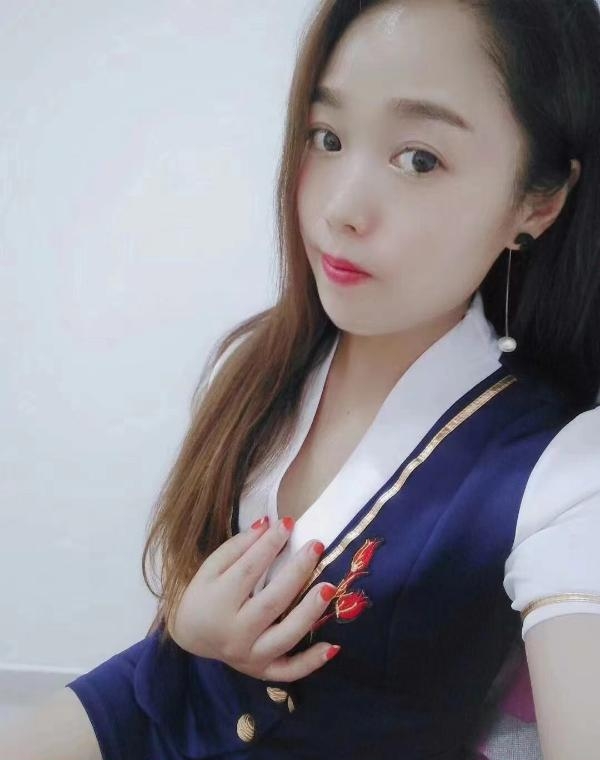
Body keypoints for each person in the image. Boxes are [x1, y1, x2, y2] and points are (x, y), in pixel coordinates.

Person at [2, 0, 600, 758]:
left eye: (419, 159)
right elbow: (182, 607)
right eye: (328, 137)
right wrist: (189, 623)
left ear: (538, 202)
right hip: (149, 700)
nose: (340, 209)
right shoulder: (268, 357)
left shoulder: (561, 468)